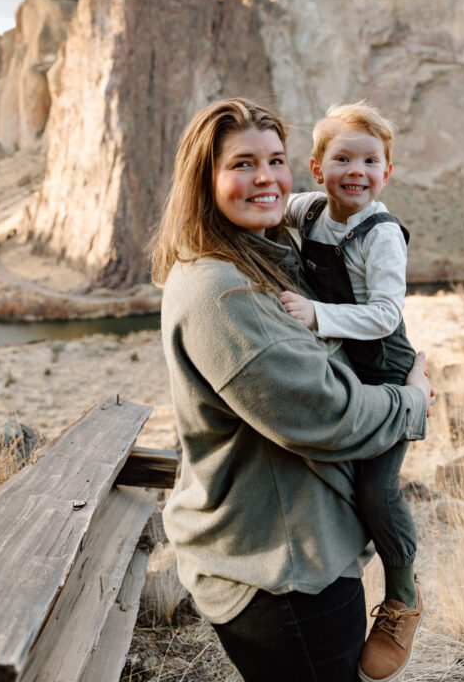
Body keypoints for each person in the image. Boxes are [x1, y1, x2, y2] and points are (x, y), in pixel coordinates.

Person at [149, 97, 434, 682]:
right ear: (204, 180)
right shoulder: (221, 294)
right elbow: (328, 415)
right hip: (282, 575)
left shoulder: (260, 253)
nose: (265, 178)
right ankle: (406, 591)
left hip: (296, 551)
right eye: (242, 164)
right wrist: (412, 400)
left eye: (274, 160)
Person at [280, 101, 422, 682]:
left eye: (370, 160)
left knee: (378, 489)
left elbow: (386, 315)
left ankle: (403, 597)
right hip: (343, 369)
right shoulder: (309, 211)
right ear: (318, 168)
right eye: (342, 158)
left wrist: (316, 314)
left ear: (386, 172)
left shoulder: (382, 235)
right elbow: (264, 208)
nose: (356, 170)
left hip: (385, 369)